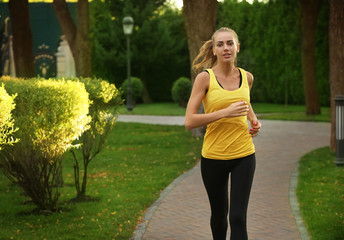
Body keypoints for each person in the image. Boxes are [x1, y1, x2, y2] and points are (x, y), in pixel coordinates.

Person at [184, 27, 261, 240]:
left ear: (237, 47)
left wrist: (253, 120)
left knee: (238, 217)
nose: (225, 48)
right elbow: (189, 121)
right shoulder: (204, 79)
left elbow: (245, 102)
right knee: (219, 215)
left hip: (244, 155)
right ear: (214, 50)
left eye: (229, 43)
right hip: (213, 157)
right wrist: (224, 113)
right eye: (220, 44)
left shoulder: (247, 77)